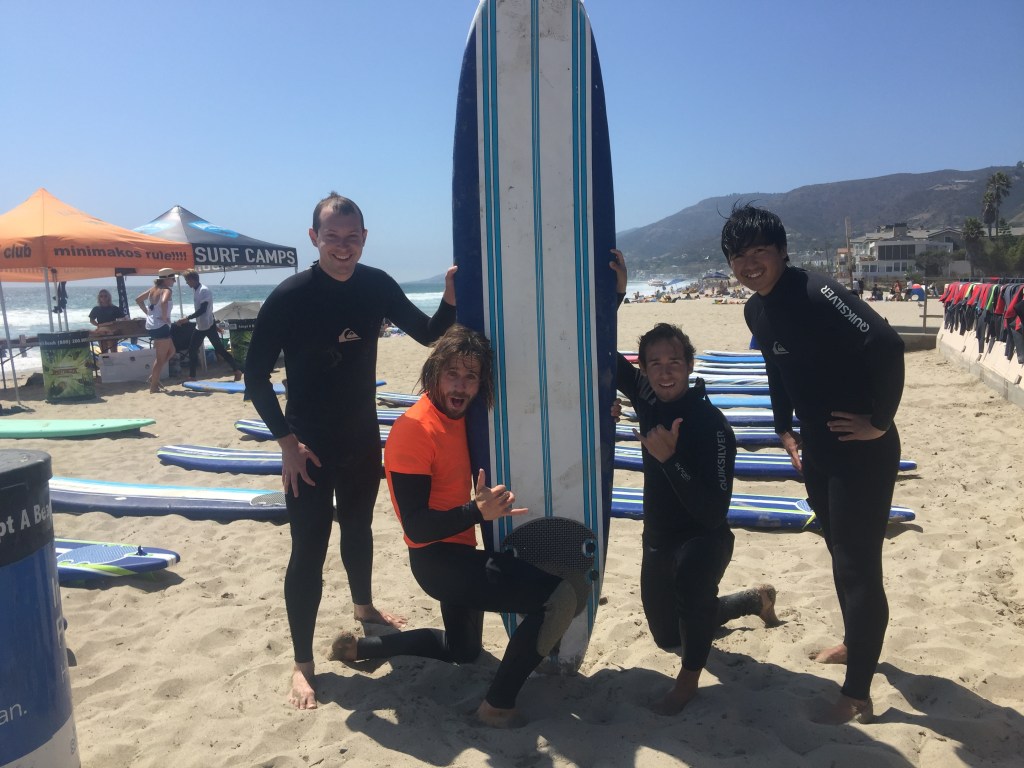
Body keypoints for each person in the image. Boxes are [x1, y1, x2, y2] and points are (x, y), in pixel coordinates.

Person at [244, 192, 458, 710]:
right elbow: (254, 375)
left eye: (352, 237)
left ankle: (363, 607)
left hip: (362, 441)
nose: (343, 247)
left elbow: (429, 332)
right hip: (309, 449)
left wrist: (450, 296)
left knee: (359, 530)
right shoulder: (291, 295)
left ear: (364, 238)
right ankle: (302, 665)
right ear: (314, 238)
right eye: (333, 237)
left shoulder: (376, 285)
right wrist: (287, 444)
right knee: (308, 552)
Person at [328, 325, 576, 728]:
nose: (461, 386)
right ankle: (497, 705)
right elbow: (416, 526)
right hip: (438, 560)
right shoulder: (414, 430)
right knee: (559, 599)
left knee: (463, 650)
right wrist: (477, 512)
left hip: (458, 551)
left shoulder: (464, 415)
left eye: (471, 376)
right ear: (434, 374)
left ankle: (364, 648)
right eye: (452, 374)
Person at [721, 204, 904, 725]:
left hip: (862, 450)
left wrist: (880, 421)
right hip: (820, 449)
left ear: (781, 252)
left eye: (760, 251)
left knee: (857, 563)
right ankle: (857, 643)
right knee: (837, 551)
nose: (750, 263)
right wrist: (784, 429)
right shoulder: (756, 310)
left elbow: (886, 344)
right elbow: (777, 369)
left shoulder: (817, 292)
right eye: (739, 255)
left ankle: (857, 694)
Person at [609, 251, 778, 716]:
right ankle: (752, 600)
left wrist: (668, 460)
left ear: (688, 365)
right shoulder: (644, 398)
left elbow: (712, 513)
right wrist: (618, 296)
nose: (664, 370)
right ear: (643, 368)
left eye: (674, 361)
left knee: (692, 596)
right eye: (655, 362)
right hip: (659, 537)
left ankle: (687, 684)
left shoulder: (712, 426)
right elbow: (603, 348)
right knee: (668, 636)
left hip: (704, 537)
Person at [175, 269, 242, 382]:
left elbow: (204, 309)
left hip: (207, 325)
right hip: (201, 325)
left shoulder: (204, 290)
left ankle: (237, 370)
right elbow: (209, 311)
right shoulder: (196, 290)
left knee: (219, 349)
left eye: (187, 280)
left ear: (192, 279)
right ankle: (192, 376)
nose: (187, 283)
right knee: (192, 350)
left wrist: (187, 318)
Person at [135, 269, 177, 393]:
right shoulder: (167, 290)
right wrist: (165, 317)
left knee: (172, 351)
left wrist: (148, 314)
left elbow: (138, 300)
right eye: (172, 278)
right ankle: (153, 386)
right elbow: (163, 302)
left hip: (151, 326)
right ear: (166, 279)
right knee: (160, 359)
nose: (174, 281)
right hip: (160, 326)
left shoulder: (153, 289)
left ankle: (153, 377)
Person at [89, 289, 122, 353]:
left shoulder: (114, 308)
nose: (103, 298)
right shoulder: (96, 309)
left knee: (114, 351)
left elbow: (121, 319)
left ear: (109, 297)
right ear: (99, 298)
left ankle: (115, 362)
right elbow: (91, 320)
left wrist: (115, 324)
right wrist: (98, 325)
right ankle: (106, 363)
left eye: (105, 296)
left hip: (112, 330)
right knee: (104, 352)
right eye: (101, 296)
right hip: (101, 330)